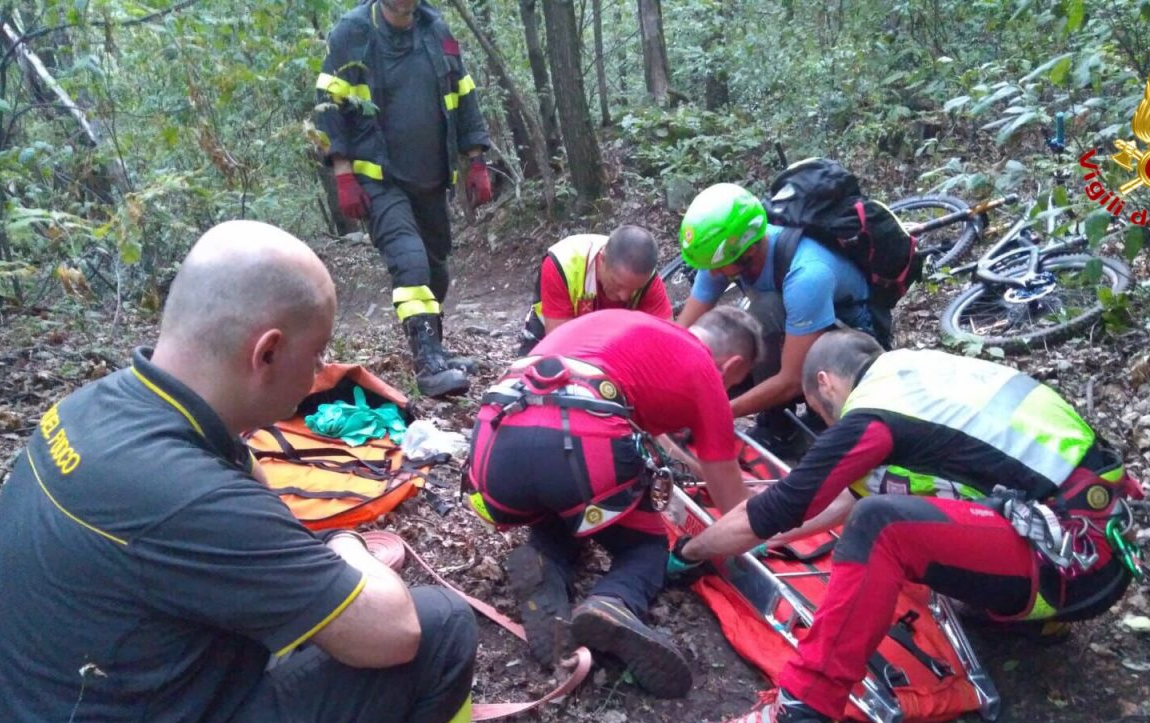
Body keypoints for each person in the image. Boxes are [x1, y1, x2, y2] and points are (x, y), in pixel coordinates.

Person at [0, 221, 478, 723]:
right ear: (267, 351)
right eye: (316, 355)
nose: (319, 374)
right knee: (440, 631)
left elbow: (245, 494)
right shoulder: (183, 496)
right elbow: (391, 634)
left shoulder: (96, 411)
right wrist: (348, 547)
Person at [671, 330, 1141, 723]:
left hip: (1071, 562)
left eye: (820, 414)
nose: (828, 426)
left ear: (825, 384)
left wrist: (691, 550)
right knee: (885, 512)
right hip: (1100, 545)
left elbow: (782, 507)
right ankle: (1028, 621)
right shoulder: (917, 379)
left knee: (881, 527)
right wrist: (755, 537)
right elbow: (842, 499)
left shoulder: (870, 414)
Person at [464, 307, 760, 697]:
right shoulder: (704, 370)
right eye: (733, 384)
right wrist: (762, 505)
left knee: (561, 506)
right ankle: (613, 601)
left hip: (493, 448)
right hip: (577, 437)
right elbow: (737, 507)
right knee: (646, 547)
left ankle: (544, 562)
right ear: (731, 365)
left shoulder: (633, 329)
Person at [315, 0, 492, 398]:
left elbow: (464, 94)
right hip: (379, 179)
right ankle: (428, 365)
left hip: (431, 179)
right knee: (410, 263)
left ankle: (435, 348)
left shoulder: (436, 30)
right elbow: (328, 107)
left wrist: (476, 159)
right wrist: (343, 173)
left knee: (436, 269)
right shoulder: (352, 33)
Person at [675, 183, 893, 458]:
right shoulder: (726, 256)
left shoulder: (808, 273)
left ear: (748, 251)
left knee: (764, 313)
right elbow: (681, 332)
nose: (713, 273)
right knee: (752, 319)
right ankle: (773, 414)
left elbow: (791, 379)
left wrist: (715, 414)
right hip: (798, 323)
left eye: (717, 267)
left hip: (850, 344)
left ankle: (793, 428)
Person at [516, 225, 673, 354]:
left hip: (613, 342)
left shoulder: (647, 278)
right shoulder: (563, 264)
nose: (625, 297)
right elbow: (560, 347)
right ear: (602, 258)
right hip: (551, 336)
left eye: (634, 289)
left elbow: (669, 342)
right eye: (618, 285)